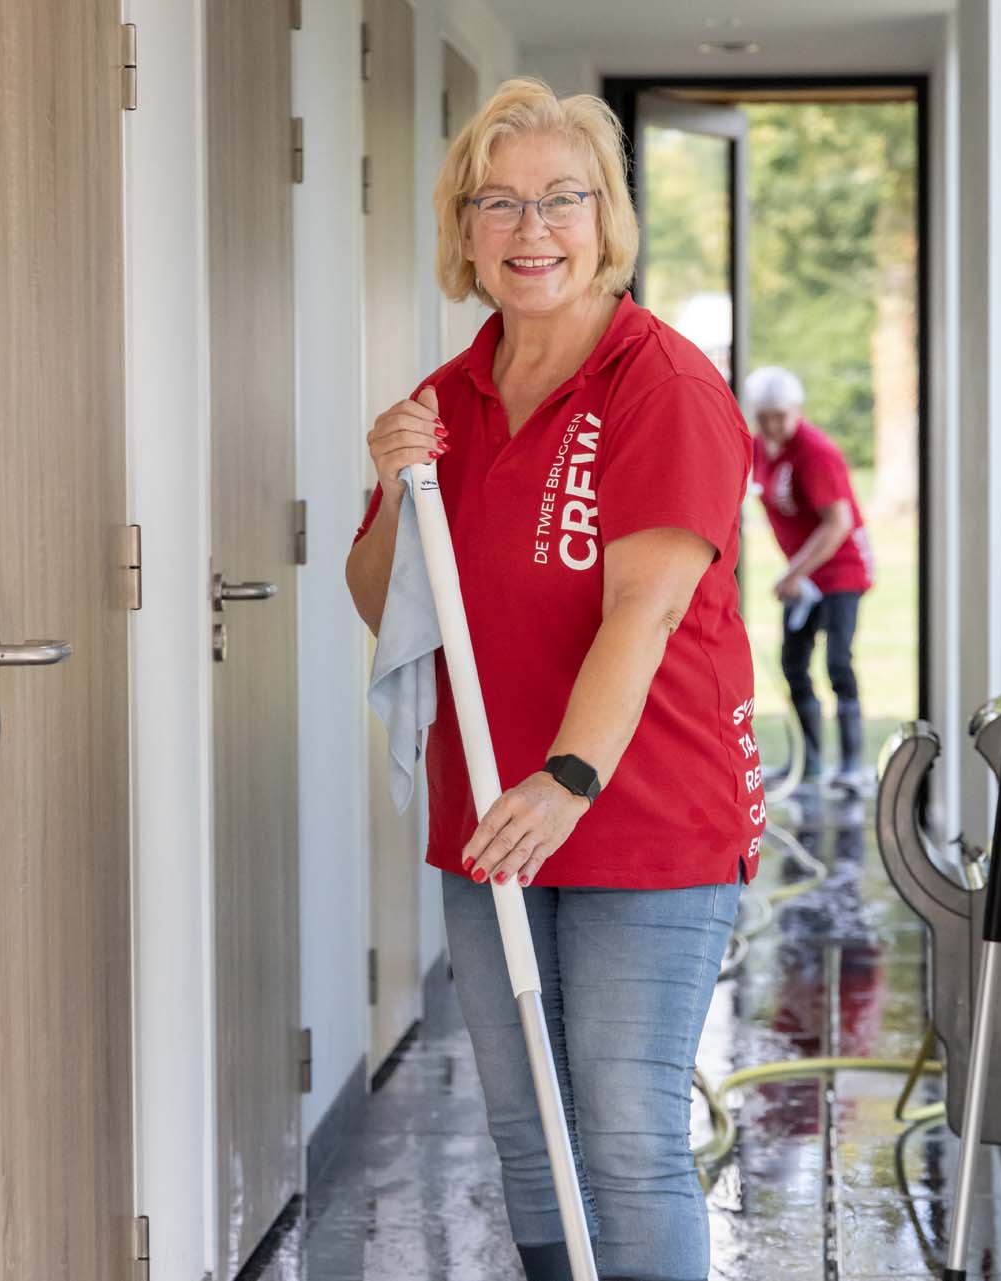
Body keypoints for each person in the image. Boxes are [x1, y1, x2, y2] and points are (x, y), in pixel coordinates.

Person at [345, 78, 763, 1281]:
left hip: (642, 813)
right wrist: (393, 481)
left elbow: (645, 608)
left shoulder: (662, 387)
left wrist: (567, 778)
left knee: (625, 1138)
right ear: (464, 231)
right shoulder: (446, 402)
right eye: (500, 203)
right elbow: (389, 608)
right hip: (492, 814)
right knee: (531, 1133)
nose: (533, 230)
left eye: (561, 200)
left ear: (607, 220)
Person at [742, 366, 876, 796]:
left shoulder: (815, 452)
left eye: (780, 415)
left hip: (840, 569)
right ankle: (811, 763)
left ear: (797, 410)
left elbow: (837, 523)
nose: (772, 425)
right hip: (802, 575)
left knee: (838, 662)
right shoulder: (762, 450)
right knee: (793, 664)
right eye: (763, 416)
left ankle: (853, 765)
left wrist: (793, 571)